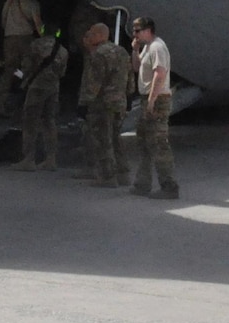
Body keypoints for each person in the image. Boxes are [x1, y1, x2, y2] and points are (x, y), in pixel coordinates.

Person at [77, 22, 131, 187]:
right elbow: (130, 79)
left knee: (102, 140)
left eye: (92, 33)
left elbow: (93, 83)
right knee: (116, 138)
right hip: (119, 101)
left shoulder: (98, 54)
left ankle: (108, 177)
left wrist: (84, 104)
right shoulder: (122, 52)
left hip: (102, 104)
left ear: (101, 35)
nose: (90, 36)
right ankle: (124, 174)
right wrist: (128, 96)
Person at [130, 17, 178, 199]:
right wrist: (135, 50)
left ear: (148, 30)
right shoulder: (146, 48)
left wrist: (151, 100)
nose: (135, 34)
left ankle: (169, 186)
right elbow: (136, 67)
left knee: (158, 143)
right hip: (148, 98)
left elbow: (160, 74)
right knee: (144, 141)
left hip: (157, 99)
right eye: (134, 31)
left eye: (138, 30)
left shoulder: (157, 47)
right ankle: (142, 183)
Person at [14, 32, 68, 170]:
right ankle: (51, 159)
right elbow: (62, 72)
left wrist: (20, 77)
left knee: (30, 121)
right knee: (49, 121)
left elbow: (26, 66)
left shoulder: (35, 45)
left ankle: (29, 159)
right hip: (54, 87)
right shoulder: (62, 50)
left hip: (37, 86)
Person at [0, 0, 43, 105]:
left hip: (10, 39)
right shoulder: (32, 2)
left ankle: (0, 102)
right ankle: (25, 94)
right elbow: (38, 24)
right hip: (26, 38)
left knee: (9, 69)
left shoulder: (10, 1)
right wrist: (44, 37)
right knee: (29, 67)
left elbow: (3, 21)